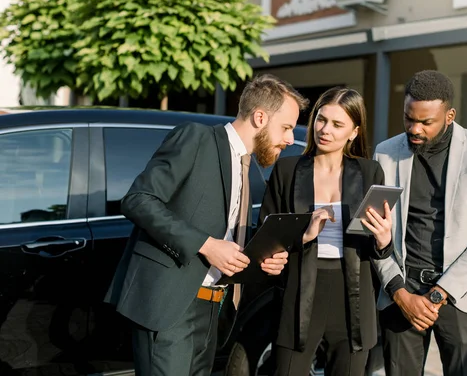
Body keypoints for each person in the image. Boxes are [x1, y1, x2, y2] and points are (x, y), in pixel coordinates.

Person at [104, 74, 309, 376]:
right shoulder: (196, 138)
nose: (290, 139)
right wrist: (207, 245)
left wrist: (265, 257)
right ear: (260, 117)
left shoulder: (250, 168)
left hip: (214, 311)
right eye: (287, 127)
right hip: (171, 308)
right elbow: (138, 199)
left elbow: (229, 236)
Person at [371, 70, 467, 376]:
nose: (414, 128)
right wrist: (399, 292)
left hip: (461, 295)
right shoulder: (385, 153)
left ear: (449, 115)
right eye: (409, 118)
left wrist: (439, 293)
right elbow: (372, 231)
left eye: (425, 122)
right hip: (402, 292)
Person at [259, 87, 393, 376]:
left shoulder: (371, 173)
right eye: (321, 119)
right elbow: (265, 236)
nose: (325, 130)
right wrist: (302, 235)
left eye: (337, 124)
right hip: (298, 289)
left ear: (354, 132)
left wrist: (384, 240)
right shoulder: (287, 170)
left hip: (353, 294)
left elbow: (376, 246)